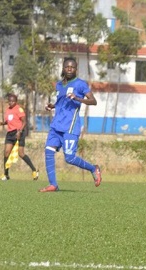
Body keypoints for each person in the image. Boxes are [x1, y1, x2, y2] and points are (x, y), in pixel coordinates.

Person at [39, 57, 101, 192]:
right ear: (63, 68)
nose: (69, 69)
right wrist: (52, 106)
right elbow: (61, 103)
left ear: (76, 69)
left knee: (70, 158)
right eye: (67, 66)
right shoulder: (59, 85)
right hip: (56, 125)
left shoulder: (80, 84)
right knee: (48, 151)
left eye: (72, 67)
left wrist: (78, 98)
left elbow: (93, 101)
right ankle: (53, 184)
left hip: (70, 126)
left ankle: (93, 168)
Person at [0, 93, 38, 181]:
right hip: (10, 134)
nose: (11, 102)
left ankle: (34, 170)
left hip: (19, 132)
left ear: (16, 101)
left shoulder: (19, 109)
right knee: (6, 153)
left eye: (13, 101)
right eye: (10, 101)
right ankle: (6, 174)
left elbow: (24, 122)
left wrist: (19, 132)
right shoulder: (8, 110)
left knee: (21, 154)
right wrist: (3, 123)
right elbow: (9, 120)